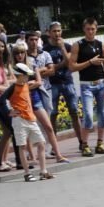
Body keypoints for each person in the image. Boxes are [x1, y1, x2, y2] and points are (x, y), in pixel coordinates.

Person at [0, 63, 53, 181]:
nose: (28, 77)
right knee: (22, 146)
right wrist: (9, 111)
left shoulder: (26, 85)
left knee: (41, 143)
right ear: (20, 75)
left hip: (31, 118)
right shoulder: (12, 87)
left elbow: (38, 82)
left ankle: (43, 171)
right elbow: (0, 101)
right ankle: (27, 173)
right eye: (26, 75)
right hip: (19, 120)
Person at [70, 17, 104, 157]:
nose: (90, 32)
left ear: (96, 29)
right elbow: (72, 67)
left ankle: (100, 143)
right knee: (88, 115)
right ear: (84, 29)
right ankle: (85, 144)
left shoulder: (102, 45)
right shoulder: (78, 45)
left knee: (103, 115)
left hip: (101, 84)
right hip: (86, 85)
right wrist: (90, 62)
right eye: (88, 29)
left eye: (93, 29)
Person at [43, 21, 83, 151]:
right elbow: (49, 69)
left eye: (59, 31)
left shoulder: (67, 46)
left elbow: (71, 63)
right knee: (53, 114)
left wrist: (62, 49)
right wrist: (61, 64)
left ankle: (82, 142)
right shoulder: (45, 50)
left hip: (67, 81)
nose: (57, 34)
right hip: (53, 84)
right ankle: (54, 147)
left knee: (74, 112)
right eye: (54, 31)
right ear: (49, 33)